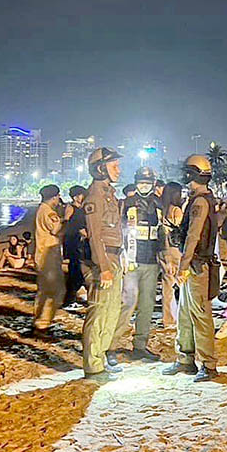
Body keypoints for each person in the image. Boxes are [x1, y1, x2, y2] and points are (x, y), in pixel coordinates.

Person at [163, 154, 219, 382]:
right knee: (185, 314)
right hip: (196, 264)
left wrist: (183, 266)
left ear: (191, 175)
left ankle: (208, 364)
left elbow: (194, 236)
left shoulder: (199, 202)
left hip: (197, 266)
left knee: (200, 315)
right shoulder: (200, 199)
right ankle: (185, 359)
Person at [108, 166, 163, 362]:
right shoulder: (127, 204)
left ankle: (140, 345)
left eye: (147, 183)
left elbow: (162, 233)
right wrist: (121, 255)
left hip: (151, 261)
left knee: (147, 305)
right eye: (141, 183)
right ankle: (111, 346)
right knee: (127, 303)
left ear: (153, 184)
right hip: (131, 260)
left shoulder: (159, 204)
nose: (144, 186)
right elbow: (118, 230)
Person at [81, 147, 126, 383]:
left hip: (114, 257)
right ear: (100, 169)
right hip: (103, 260)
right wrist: (104, 267)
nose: (119, 170)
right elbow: (95, 235)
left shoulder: (109, 194)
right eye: (114, 166)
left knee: (111, 312)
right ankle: (93, 366)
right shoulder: (95, 196)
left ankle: (100, 359)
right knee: (99, 312)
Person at [33, 184, 66, 337]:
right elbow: (55, 229)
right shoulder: (48, 212)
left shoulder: (41, 209)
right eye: (58, 196)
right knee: (53, 291)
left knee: (44, 290)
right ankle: (42, 324)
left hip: (43, 255)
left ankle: (40, 321)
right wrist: (65, 219)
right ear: (54, 197)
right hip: (48, 256)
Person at [158, 181, 185, 328]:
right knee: (180, 282)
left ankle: (168, 318)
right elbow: (181, 229)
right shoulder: (176, 210)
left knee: (167, 285)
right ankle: (174, 317)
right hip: (174, 250)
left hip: (162, 249)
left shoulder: (162, 209)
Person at [62, 185, 88, 308]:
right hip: (73, 242)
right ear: (75, 196)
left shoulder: (81, 208)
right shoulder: (70, 207)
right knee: (74, 269)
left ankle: (74, 296)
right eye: (82, 194)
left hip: (80, 242)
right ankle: (69, 300)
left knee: (79, 269)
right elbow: (67, 223)